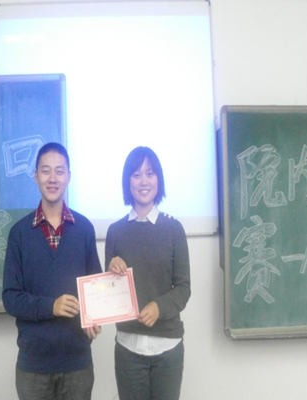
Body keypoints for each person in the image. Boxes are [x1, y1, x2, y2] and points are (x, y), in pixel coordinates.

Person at [2, 142, 102, 400]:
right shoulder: (19, 233)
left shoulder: (84, 229)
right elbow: (10, 298)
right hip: (34, 365)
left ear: (69, 176)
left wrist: (95, 316)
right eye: (46, 171)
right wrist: (51, 306)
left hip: (77, 362)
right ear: (35, 176)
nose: (53, 178)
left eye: (60, 171)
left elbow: (96, 290)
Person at [105, 146, 191, 400]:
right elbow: (108, 293)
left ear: (158, 179)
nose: (144, 181)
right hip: (128, 347)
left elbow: (183, 288)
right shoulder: (115, 232)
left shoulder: (174, 229)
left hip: (168, 347)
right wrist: (111, 269)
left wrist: (158, 307)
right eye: (136, 174)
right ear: (127, 181)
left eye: (150, 173)